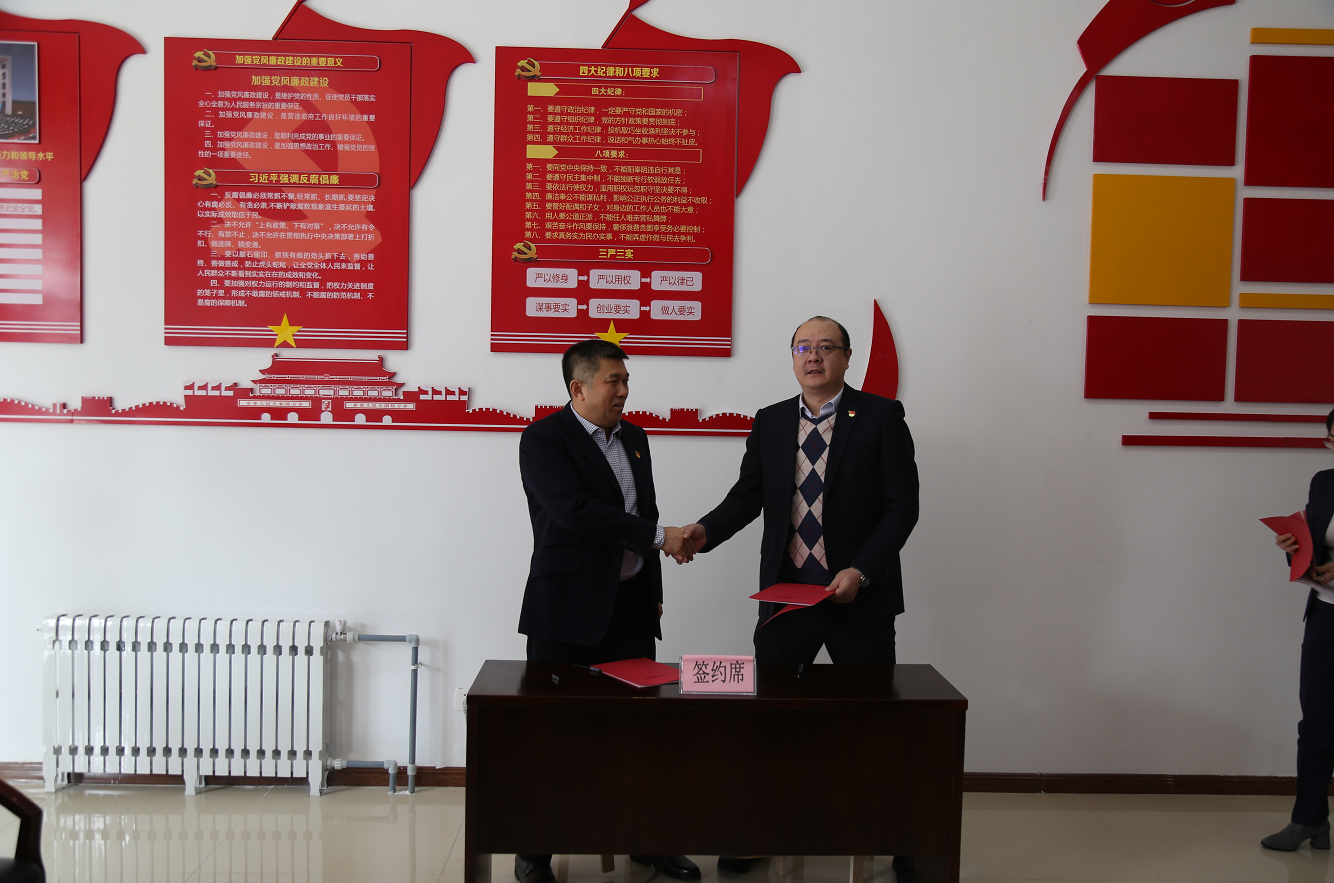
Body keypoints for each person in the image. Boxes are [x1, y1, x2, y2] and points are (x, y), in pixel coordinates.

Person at [678, 315, 919, 879]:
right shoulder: (771, 420)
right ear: (792, 357)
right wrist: (704, 532)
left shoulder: (882, 416)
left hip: (858, 599)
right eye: (803, 347)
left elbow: (901, 508)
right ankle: (762, 830)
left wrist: (861, 569)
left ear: (847, 357)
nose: (814, 356)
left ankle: (898, 836)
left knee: (874, 724)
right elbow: (748, 497)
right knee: (771, 721)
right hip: (787, 599)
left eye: (826, 346)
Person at [515, 338, 700, 883]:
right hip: (566, 611)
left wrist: (653, 586)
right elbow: (575, 512)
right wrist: (660, 537)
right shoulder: (543, 438)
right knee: (554, 735)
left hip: (631, 608)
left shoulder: (635, 438)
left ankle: (649, 840)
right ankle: (536, 851)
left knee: (641, 733)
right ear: (578, 387)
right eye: (612, 381)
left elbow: (647, 511)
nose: (623, 391)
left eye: (626, 381)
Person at [1262, 407, 1334, 852]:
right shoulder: (1324, 482)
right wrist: (1292, 547)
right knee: (1317, 722)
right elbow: (1312, 543)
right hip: (1326, 616)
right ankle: (1310, 819)